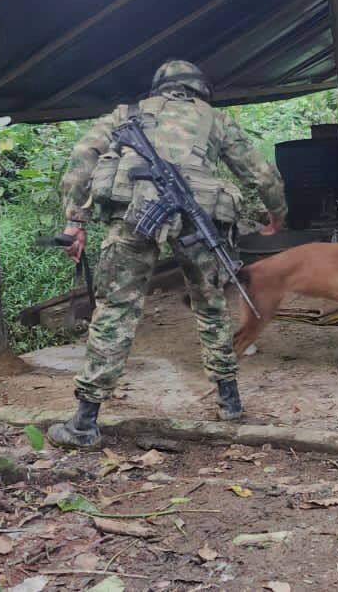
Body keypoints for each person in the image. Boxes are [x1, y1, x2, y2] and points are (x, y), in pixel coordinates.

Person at [47, 60, 287, 449]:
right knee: (211, 305)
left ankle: (84, 423)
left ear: (159, 87)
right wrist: (278, 213)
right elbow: (261, 174)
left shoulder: (127, 114)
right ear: (200, 89)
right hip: (196, 222)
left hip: (132, 217)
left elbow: (81, 157)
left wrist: (75, 220)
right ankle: (229, 402)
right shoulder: (215, 120)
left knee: (116, 310)